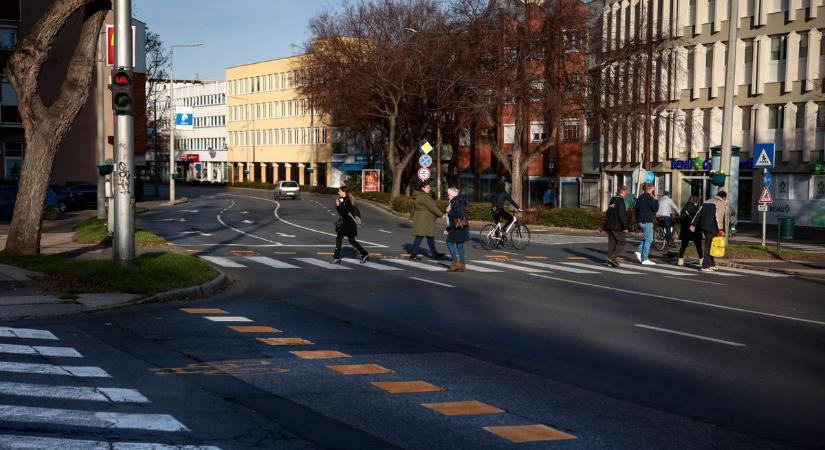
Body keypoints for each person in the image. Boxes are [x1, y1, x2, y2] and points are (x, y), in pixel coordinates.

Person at [690, 191, 727, 272]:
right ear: (724, 197)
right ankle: (705, 266)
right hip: (713, 227)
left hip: (704, 226)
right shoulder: (720, 203)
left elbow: (698, 213)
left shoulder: (707, 201)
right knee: (709, 247)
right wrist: (721, 229)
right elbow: (719, 217)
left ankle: (711, 264)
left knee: (712, 245)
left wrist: (693, 224)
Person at [332, 185, 369, 264]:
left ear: (343, 192)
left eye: (339, 191)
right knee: (352, 241)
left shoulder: (348, 201)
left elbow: (344, 214)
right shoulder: (344, 200)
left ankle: (337, 258)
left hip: (348, 224)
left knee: (339, 238)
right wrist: (339, 205)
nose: (338, 192)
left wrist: (338, 206)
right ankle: (365, 254)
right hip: (348, 224)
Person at [409, 182, 445, 260]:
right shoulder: (424, 197)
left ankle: (434, 253)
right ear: (422, 188)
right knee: (420, 237)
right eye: (427, 187)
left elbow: (413, 208)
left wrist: (411, 217)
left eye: (429, 187)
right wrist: (442, 215)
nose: (429, 189)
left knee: (429, 237)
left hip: (423, 219)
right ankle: (413, 254)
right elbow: (432, 207)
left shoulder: (419, 196)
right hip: (425, 220)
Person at [444, 187, 469, 272]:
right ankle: (462, 265)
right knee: (460, 245)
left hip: (456, 228)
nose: (448, 196)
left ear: (453, 194)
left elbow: (459, 214)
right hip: (462, 227)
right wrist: (447, 228)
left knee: (449, 242)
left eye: (449, 194)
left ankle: (455, 263)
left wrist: (449, 211)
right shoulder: (461, 200)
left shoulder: (456, 201)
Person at [634, 183, 659, 265]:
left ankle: (639, 251)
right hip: (647, 221)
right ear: (652, 190)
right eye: (654, 190)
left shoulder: (640, 197)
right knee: (648, 240)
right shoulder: (649, 198)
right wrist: (656, 199)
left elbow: (636, 210)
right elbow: (655, 208)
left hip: (640, 221)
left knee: (648, 239)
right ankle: (644, 258)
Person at [605, 185, 629, 267]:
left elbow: (608, 212)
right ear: (622, 191)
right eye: (626, 192)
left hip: (610, 225)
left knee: (612, 243)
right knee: (622, 242)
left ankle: (610, 261)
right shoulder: (620, 201)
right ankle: (612, 258)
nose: (626, 194)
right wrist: (625, 226)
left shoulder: (613, 199)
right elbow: (622, 214)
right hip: (617, 225)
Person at [677, 196, 703, 267]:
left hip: (685, 230)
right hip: (694, 230)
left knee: (683, 245)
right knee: (698, 246)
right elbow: (698, 220)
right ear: (696, 202)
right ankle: (701, 260)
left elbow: (680, 219)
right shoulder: (696, 209)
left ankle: (680, 260)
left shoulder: (684, 209)